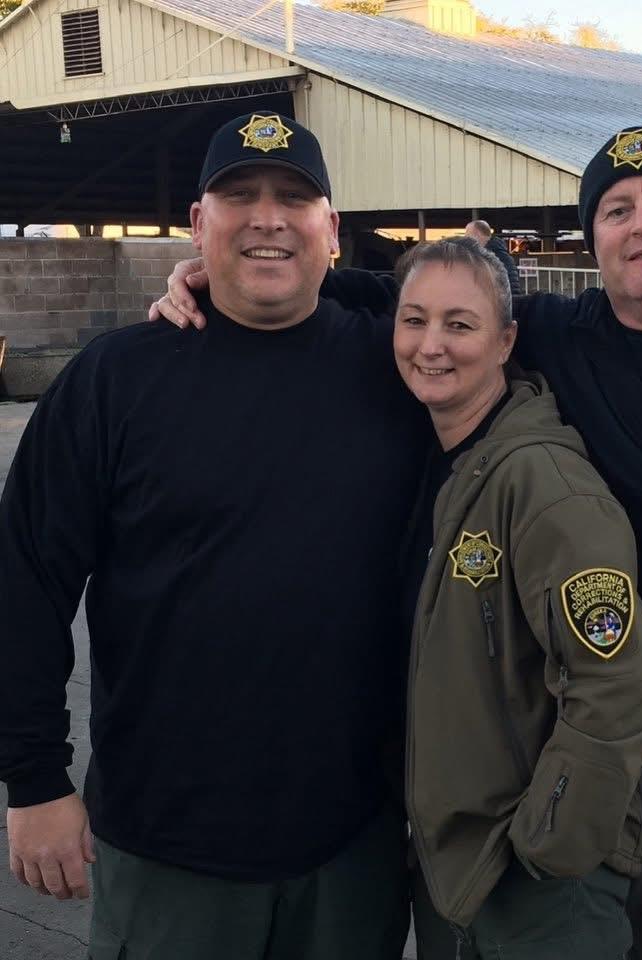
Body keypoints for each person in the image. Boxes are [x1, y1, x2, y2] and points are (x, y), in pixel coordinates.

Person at [156, 124, 642, 960]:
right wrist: (227, 272)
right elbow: (425, 304)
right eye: (616, 209)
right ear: (593, 238)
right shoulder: (562, 339)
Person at [0, 113, 429, 959]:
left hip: (353, 842)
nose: (267, 217)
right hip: (167, 845)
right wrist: (34, 780)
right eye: (239, 196)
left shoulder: (401, 371)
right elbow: (24, 579)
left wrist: (355, 291)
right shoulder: (114, 379)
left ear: (332, 231)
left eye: (295, 200)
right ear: (197, 225)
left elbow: (502, 317)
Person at [392, 237, 642, 958]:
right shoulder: (440, 466)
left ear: (506, 339)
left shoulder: (544, 484)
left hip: (534, 888)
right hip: (457, 869)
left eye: (460, 324)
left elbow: (622, 684)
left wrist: (548, 843)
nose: (431, 345)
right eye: (413, 320)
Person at [464, 219, 521, 294]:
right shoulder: (500, 253)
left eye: (468, 235)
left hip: (501, 301)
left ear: (477, 234)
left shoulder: (489, 257)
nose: (466, 239)